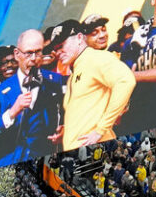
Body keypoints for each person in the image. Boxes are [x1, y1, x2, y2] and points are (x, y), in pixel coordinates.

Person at [0, 28, 64, 166]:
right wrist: (10, 114)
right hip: (7, 164)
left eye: (38, 52)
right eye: (28, 53)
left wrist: (65, 130)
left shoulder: (56, 81)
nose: (33, 59)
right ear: (17, 54)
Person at [54, 20, 135, 150]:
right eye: (55, 49)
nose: (58, 52)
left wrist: (101, 129)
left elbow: (126, 81)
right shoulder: (74, 73)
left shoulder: (95, 58)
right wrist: (68, 130)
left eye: (61, 46)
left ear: (79, 38)